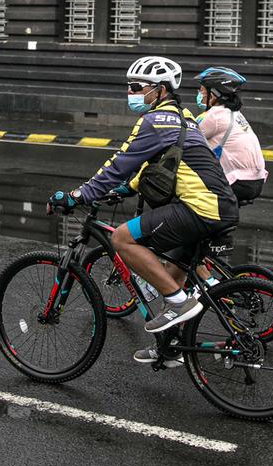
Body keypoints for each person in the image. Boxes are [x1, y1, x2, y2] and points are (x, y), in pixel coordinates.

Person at [46, 56, 239, 367]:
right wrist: (126, 189)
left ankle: (178, 303)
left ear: (159, 90)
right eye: (129, 87)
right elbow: (162, 165)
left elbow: (119, 164)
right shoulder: (184, 116)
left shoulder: (153, 121)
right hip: (221, 206)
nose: (130, 93)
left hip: (199, 208)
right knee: (171, 272)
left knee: (123, 239)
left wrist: (78, 195)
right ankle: (172, 345)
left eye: (136, 87)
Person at [193, 66, 268, 205]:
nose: (199, 93)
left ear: (213, 94)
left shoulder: (214, 116)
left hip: (237, 181)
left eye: (202, 89)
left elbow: (187, 140)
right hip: (256, 181)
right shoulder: (235, 113)